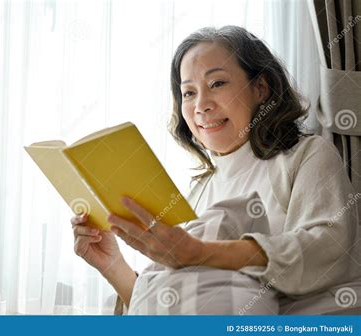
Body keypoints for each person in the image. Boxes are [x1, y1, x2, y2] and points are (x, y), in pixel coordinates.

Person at [70, 26, 361, 315]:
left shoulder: (307, 156)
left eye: (217, 84)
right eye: (188, 92)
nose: (201, 105)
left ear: (261, 88)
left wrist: (199, 252)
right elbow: (184, 303)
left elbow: (325, 249)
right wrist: (112, 265)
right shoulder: (199, 191)